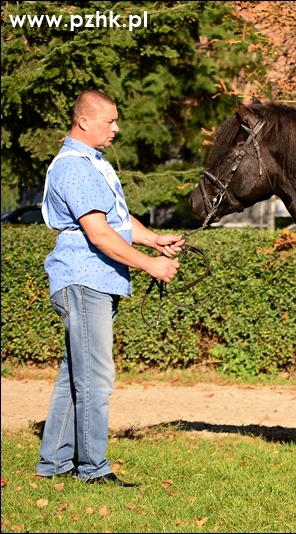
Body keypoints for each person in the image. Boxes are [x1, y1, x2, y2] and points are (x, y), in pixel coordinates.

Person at [36, 90, 185, 486]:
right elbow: (99, 234)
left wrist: (154, 240)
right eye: (109, 121)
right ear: (84, 121)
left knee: (76, 374)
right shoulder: (74, 167)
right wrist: (151, 265)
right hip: (84, 281)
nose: (116, 128)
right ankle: (93, 469)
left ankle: (53, 463)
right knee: (96, 379)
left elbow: (116, 219)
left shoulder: (92, 163)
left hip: (93, 281)